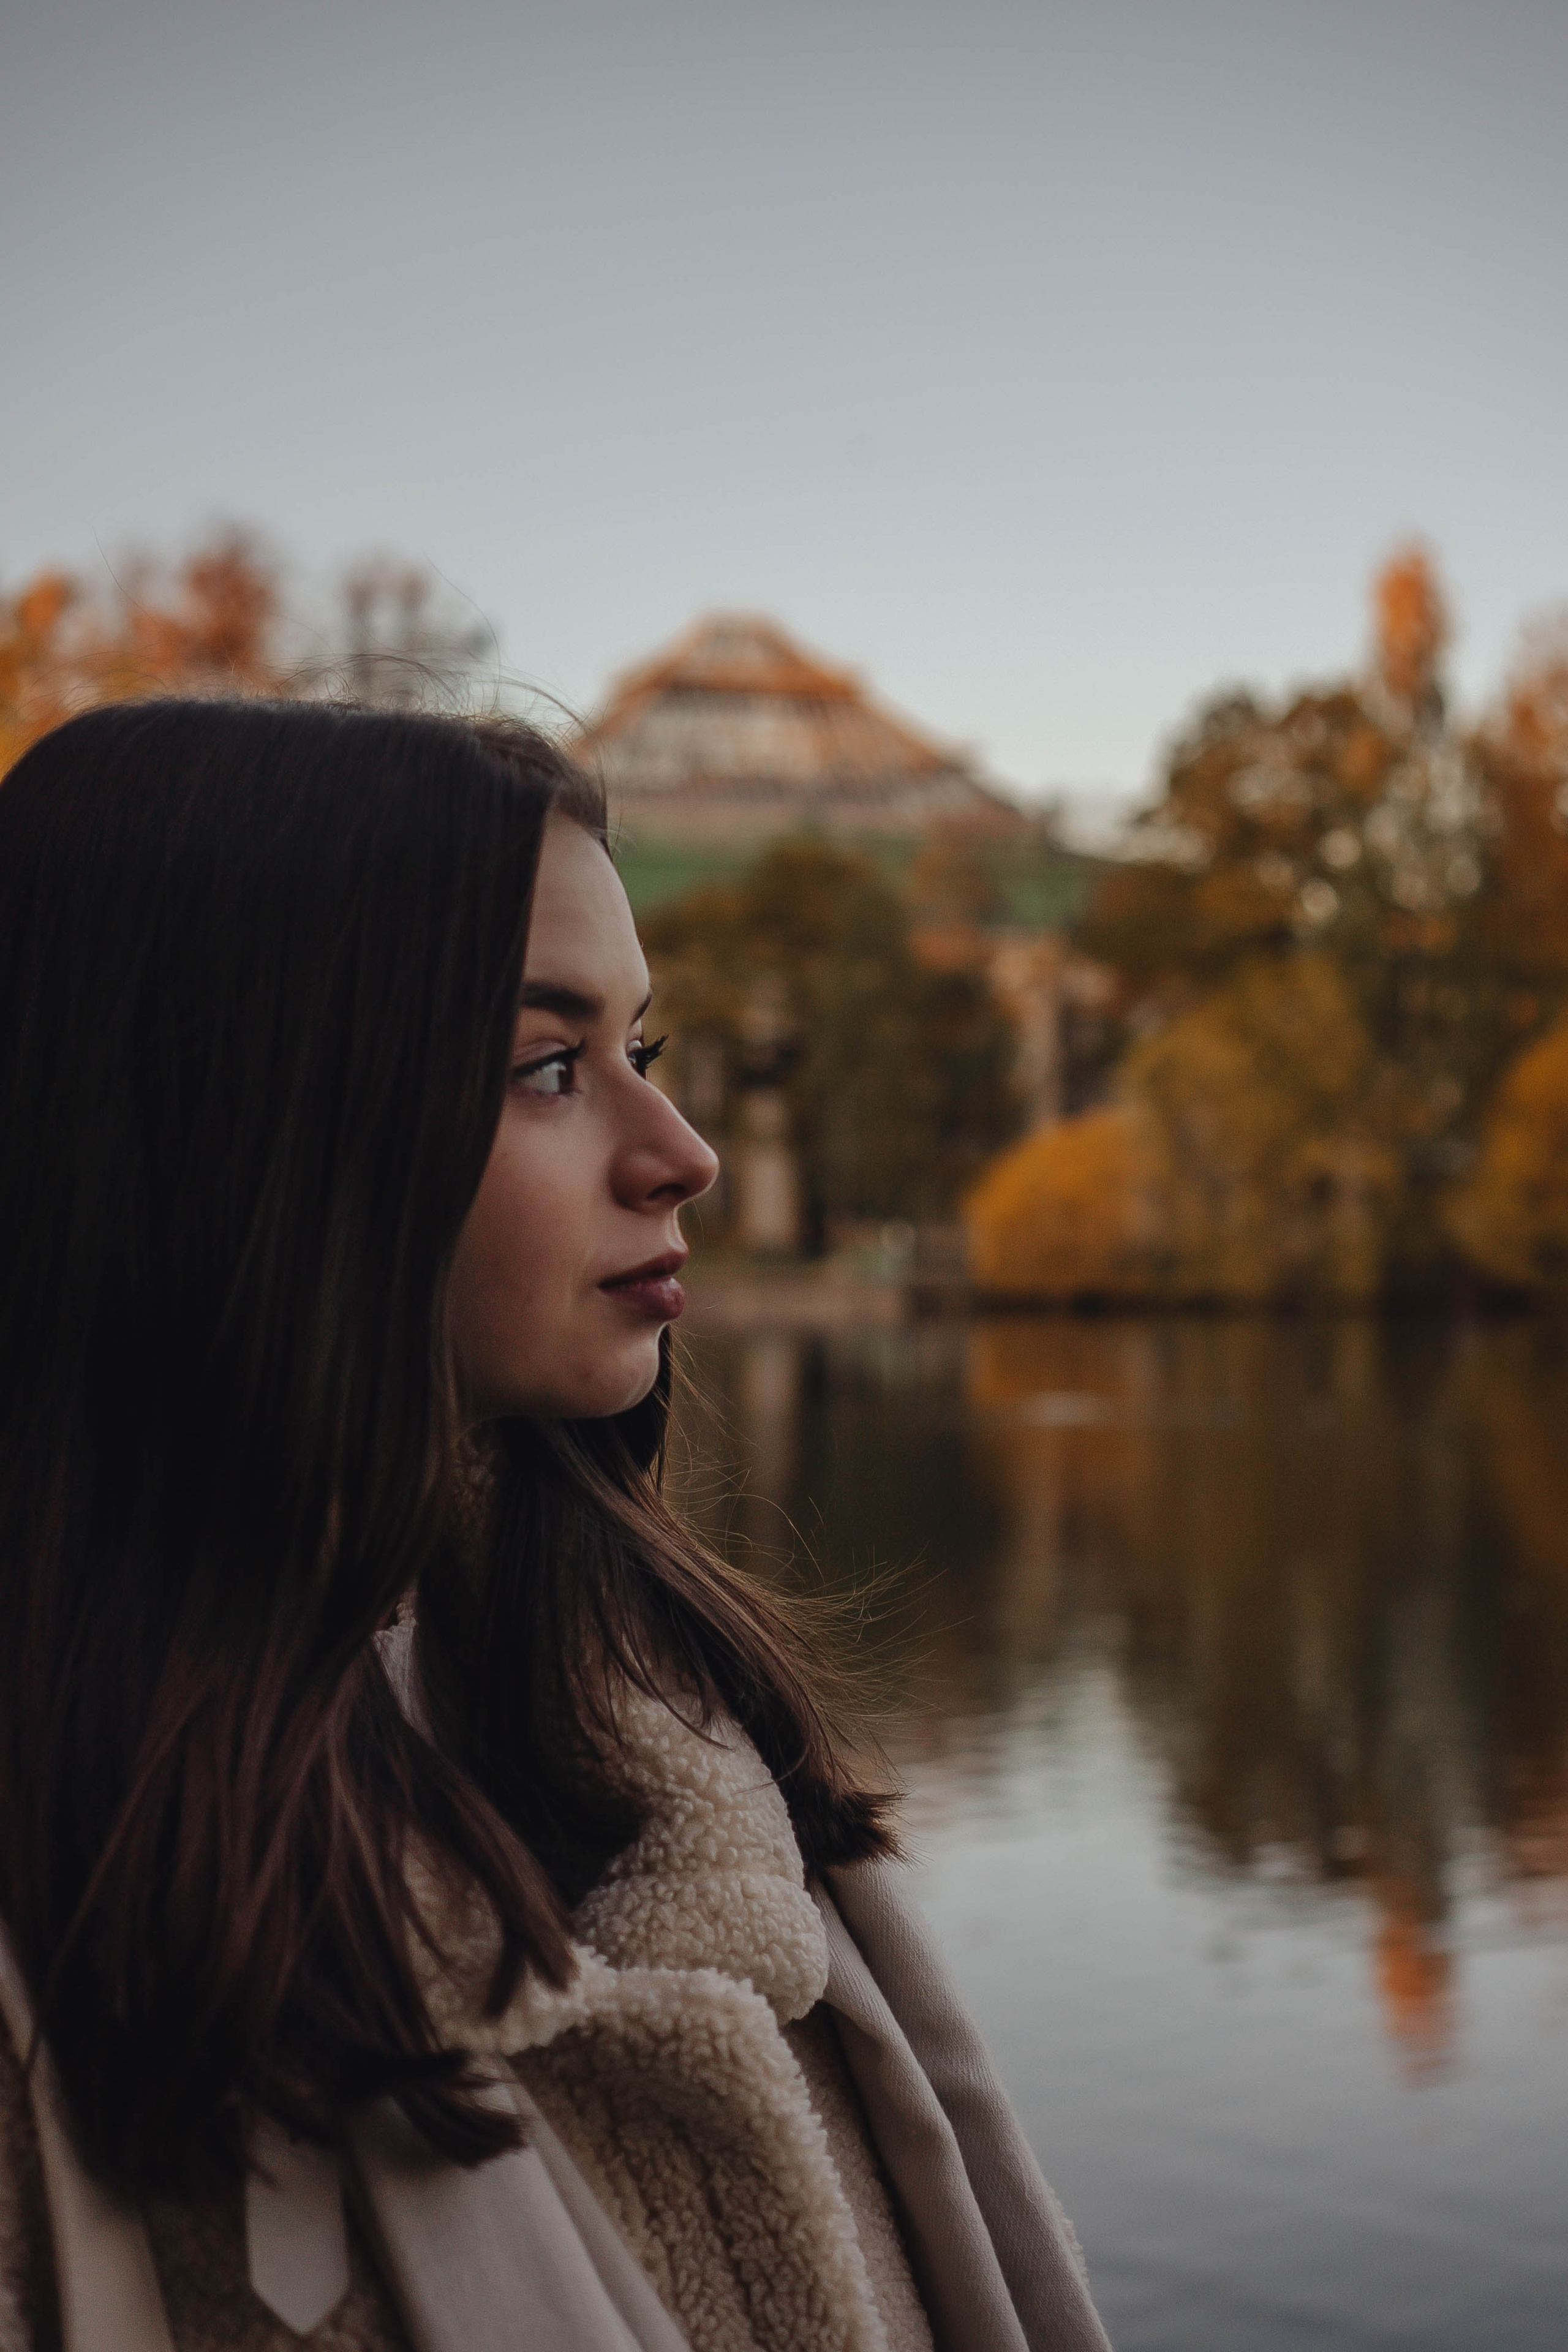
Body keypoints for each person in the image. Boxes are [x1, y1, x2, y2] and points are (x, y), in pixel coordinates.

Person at [0, 699, 1112, 2352]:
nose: (683, 1156)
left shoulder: (685, 1743)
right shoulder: (61, 1948)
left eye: (639, 1054)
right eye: (544, 1069)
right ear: (238, 1134)